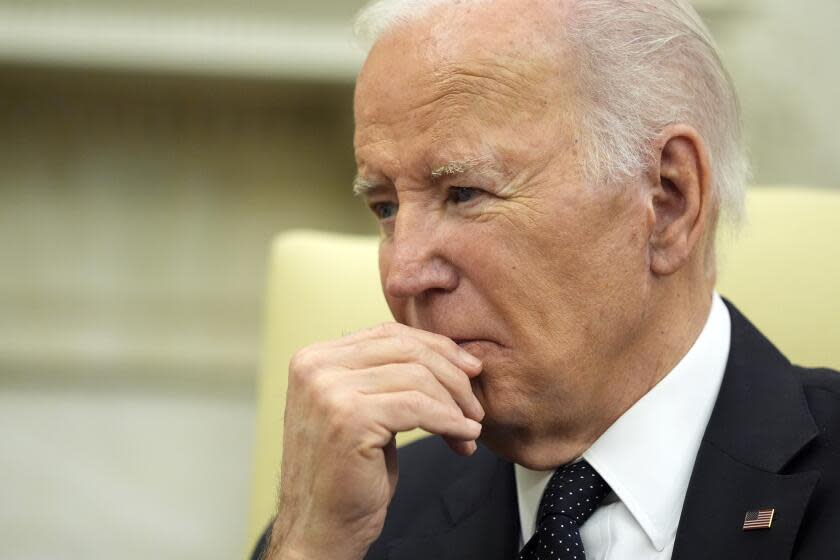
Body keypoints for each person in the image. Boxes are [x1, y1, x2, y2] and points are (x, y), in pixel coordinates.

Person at [252, 0, 840, 558]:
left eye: (464, 193)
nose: (403, 274)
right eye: (385, 208)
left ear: (666, 201)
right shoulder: (352, 526)